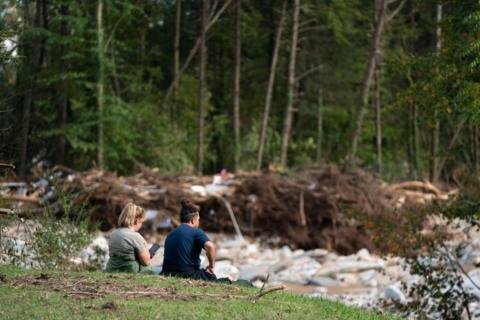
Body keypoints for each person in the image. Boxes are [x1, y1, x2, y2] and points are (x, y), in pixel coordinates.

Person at [161, 199, 222, 281]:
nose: (198, 222)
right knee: (214, 278)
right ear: (193, 220)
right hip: (188, 274)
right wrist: (211, 266)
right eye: (198, 220)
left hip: (167, 273)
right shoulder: (196, 232)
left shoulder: (170, 234)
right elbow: (210, 246)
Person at [105, 203, 153, 273]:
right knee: (157, 270)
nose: (141, 225)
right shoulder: (136, 236)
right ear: (137, 220)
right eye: (142, 222)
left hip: (112, 270)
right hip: (130, 271)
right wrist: (145, 245)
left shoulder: (114, 234)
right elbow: (146, 262)